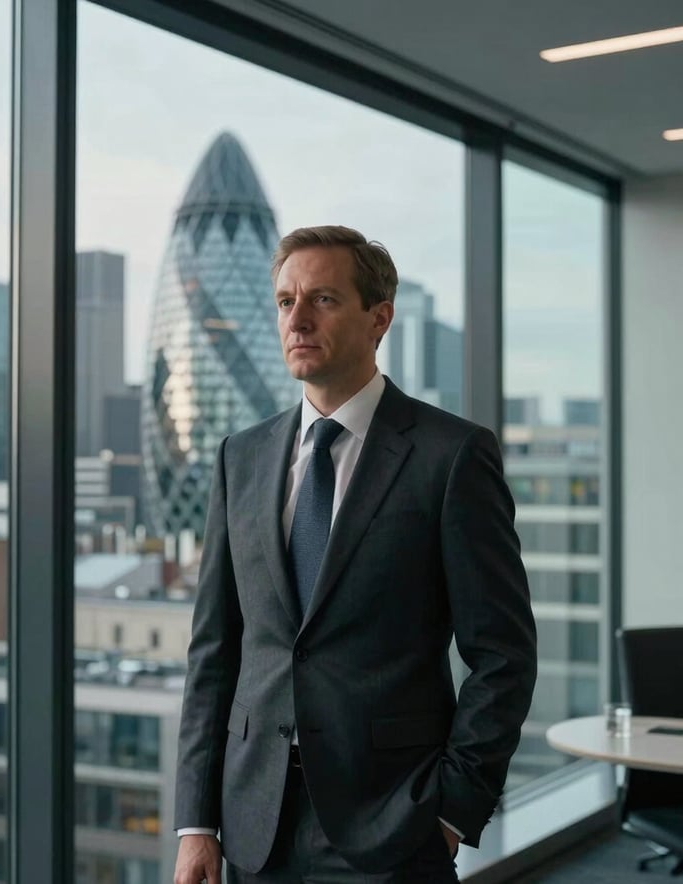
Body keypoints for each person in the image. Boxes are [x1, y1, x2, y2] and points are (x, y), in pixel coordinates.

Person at [173, 225, 537, 884]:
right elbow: (215, 652)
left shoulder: (450, 455)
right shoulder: (241, 457)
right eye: (285, 301)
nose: (298, 319)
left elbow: (503, 654)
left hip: (395, 826)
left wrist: (452, 811)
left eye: (323, 300)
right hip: (256, 827)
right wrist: (196, 822)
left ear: (380, 319)